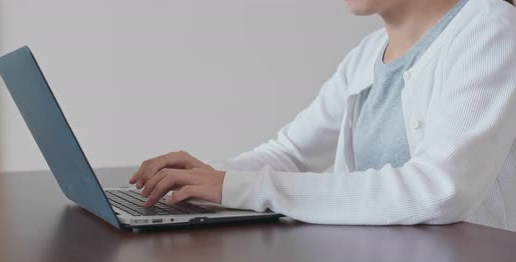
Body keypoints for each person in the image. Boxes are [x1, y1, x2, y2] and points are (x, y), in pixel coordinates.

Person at [129, 0, 516, 230]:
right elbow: (292, 153)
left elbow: (438, 190)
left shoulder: (491, 28)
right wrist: (204, 181)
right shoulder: (368, 53)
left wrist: (243, 188)